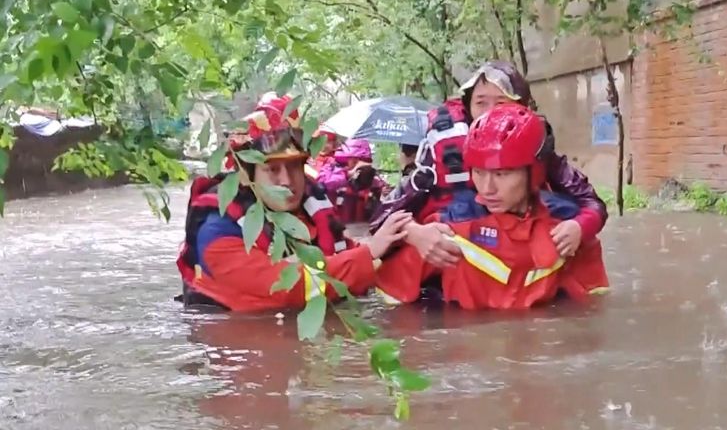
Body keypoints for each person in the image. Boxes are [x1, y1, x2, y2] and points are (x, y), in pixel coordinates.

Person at [175, 92, 412, 312]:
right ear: (248, 176)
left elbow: (355, 257)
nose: (287, 181)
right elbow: (288, 288)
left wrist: (408, 236)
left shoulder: (309, 213)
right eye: (273, 169)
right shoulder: (217, 232)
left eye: (294, 167)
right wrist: (370, 252)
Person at [370, 60, 607, 265]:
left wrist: (579, 226)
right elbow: (380, 219)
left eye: (502, 103)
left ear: (522, 107)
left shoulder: (536, 149)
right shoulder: (442, 152)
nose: (489, 114)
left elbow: (592, 203)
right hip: (456, 263)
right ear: (468, 108)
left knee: (567, 210)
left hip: (516, 258)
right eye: (481, 103)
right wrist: (414, 233)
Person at [375, 103, 609, 310]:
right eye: (478, 172)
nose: (487, 188)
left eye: (501, 174)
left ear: (535, 172)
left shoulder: (570, 230)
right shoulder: (445, 232)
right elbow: (390, 299)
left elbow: (591, 308)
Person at [314, 138, 388, 224]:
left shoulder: (370, 176)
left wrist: (382, 189)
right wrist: (347, 175)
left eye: (358, 160)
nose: (353, 163)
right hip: (337, 220)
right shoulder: (333, 168)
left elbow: (377, 188)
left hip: (360, 224)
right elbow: (322, 184)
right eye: (351, 160)